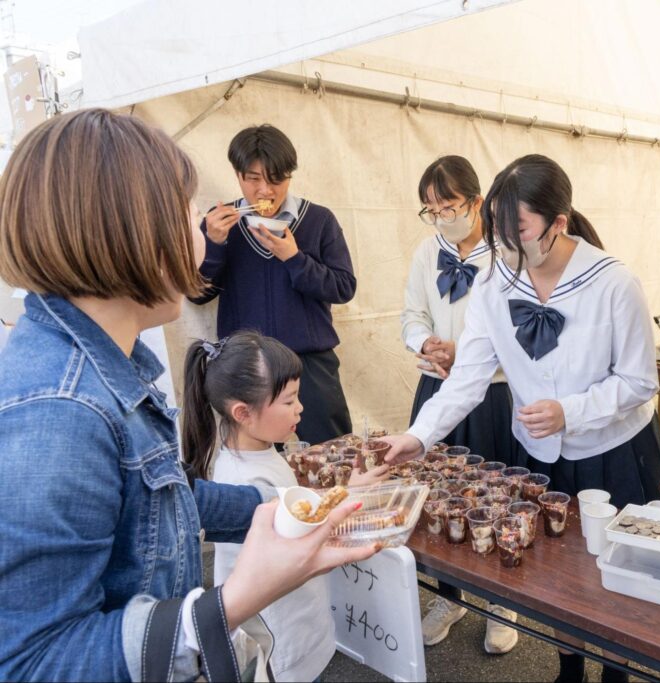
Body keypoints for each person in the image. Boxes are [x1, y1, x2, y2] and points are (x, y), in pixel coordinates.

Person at [0, 109, 377, 681]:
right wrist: (232, 602)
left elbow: (161, 504)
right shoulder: (61, 414)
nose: (201, 226)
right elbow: (33, 663)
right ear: (128, 229)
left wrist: (308, 506)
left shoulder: (99, 373)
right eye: (188, 213)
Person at [385, 154, 660, 683]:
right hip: (538, 453)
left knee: (614, 572)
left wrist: (571, 410)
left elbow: (639, 383)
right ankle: (568, 667)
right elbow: (467, 377)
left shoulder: (613, 284)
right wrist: (416, 437)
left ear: (558, 223)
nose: (506, 245)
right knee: (555, 576)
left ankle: (617, 673)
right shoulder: (493, 283)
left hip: (613, 450)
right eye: (498, 230)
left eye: (519, 231)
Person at [180, 331, 388, 681]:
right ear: (244, 413)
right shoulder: (247, 481)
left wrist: (343, 491)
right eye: (289, 401)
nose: (301, 408)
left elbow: (295, 511)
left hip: (295, 622)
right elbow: (304, 546)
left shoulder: (252, 452)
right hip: (282, 640)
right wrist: (351, 502)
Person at [401, 156, 520, 653]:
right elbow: (410, 313)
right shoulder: (426, 253)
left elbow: (518, 327)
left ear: (476, 202)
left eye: (448, 206)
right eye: (430, 209)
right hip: (436, 392)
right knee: (434, 496)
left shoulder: (508, 254)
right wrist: (425, 342)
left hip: (492, 393)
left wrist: (468, 353)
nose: (440, 217)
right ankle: (448, 597)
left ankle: (500, 599)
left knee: (494, 495)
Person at [190, 124, 356, 444]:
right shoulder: (218, 223)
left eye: (275, 178)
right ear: (238, 176)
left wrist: (294, 258)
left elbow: (343, 287)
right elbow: (197, 294)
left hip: (312, 366)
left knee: (333, 456)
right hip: (246, 368)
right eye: (253, 178)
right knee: (255, 463)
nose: (265, 190)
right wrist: (213, 245)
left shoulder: (319, 220)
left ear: (289, 176)